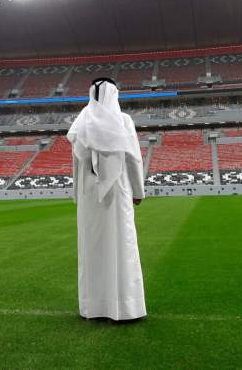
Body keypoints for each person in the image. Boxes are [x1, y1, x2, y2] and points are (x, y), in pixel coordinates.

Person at [68, 77, 146, 322]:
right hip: (118, 190)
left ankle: (93, 307)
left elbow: (76, 164)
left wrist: (76, 193)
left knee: (92, 247)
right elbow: (134, 158)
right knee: (122, 244)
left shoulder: (81, 122)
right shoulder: (123, 121)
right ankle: (126, 307)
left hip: (88, 196)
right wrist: (138, 191)